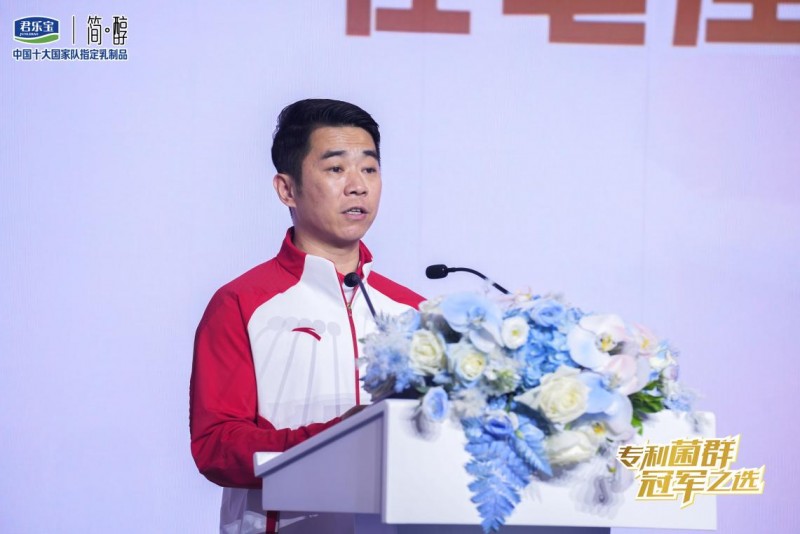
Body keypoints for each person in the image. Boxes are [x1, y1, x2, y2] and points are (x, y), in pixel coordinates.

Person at [190, 99, 424, 534]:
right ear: (287, 189)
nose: (358, 186)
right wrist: (336, 439)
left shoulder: (414, 312)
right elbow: (216, 447)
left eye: (369, 169)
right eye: (336, 169)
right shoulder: (240, 303)